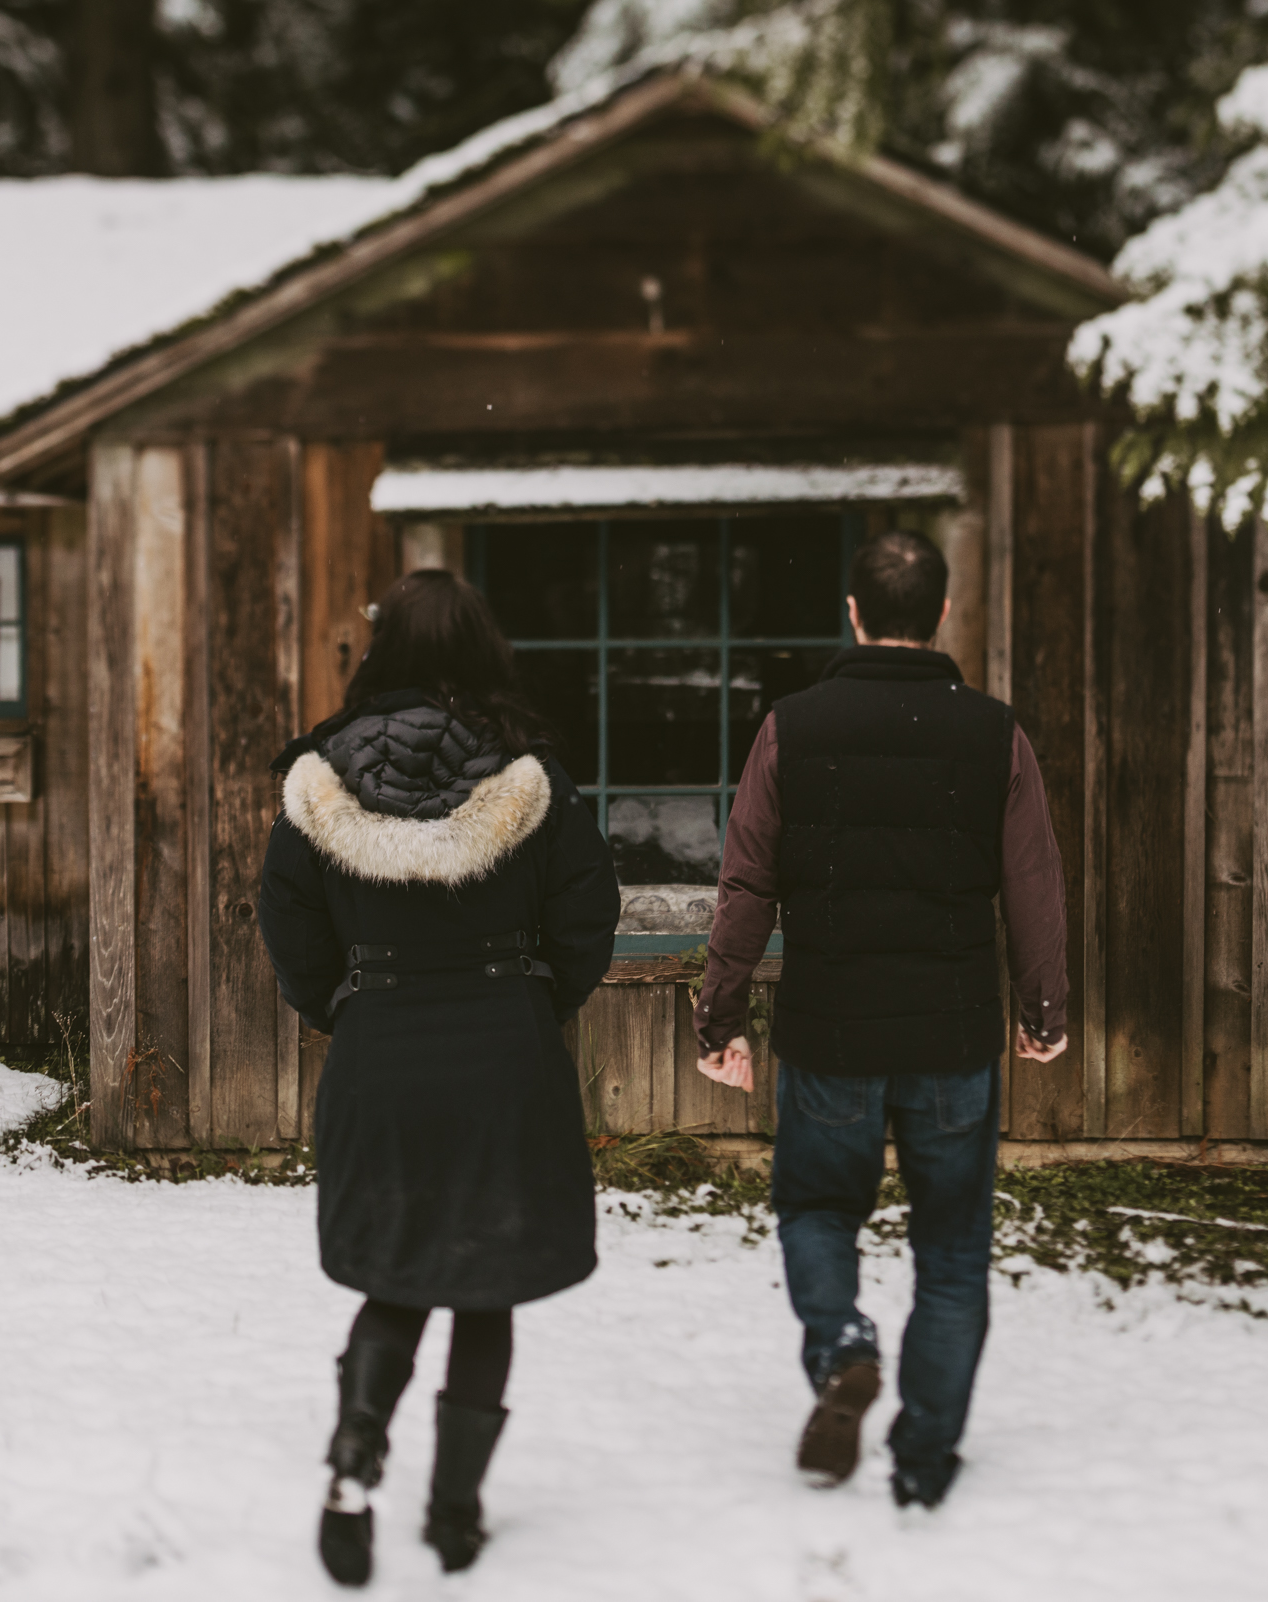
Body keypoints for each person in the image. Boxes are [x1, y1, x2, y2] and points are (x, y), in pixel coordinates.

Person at [693, 528, 1068, 1510]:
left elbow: (745, 885)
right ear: (942, 614)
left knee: (817, 1210)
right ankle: (924, 1460)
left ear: (853, 613)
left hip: (832, 1034)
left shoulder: (791, 728)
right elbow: (1033, 884)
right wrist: (1043, 1006)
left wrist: (718, 1018)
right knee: (951, 1252)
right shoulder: (996, 734)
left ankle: (843, 1344)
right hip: (951, 1039)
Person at [258, 568, 619, 1587]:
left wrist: (342, 1004)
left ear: (383, 652)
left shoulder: (317, 779)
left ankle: (355, 1455)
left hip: (379, 1048)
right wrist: (536, 1006)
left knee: (395, 1272)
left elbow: (286, 923)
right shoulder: (530, 774)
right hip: (504, 1052)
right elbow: (590, 912)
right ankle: (456, 1516)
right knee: (485, 1284)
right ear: (482, 649)